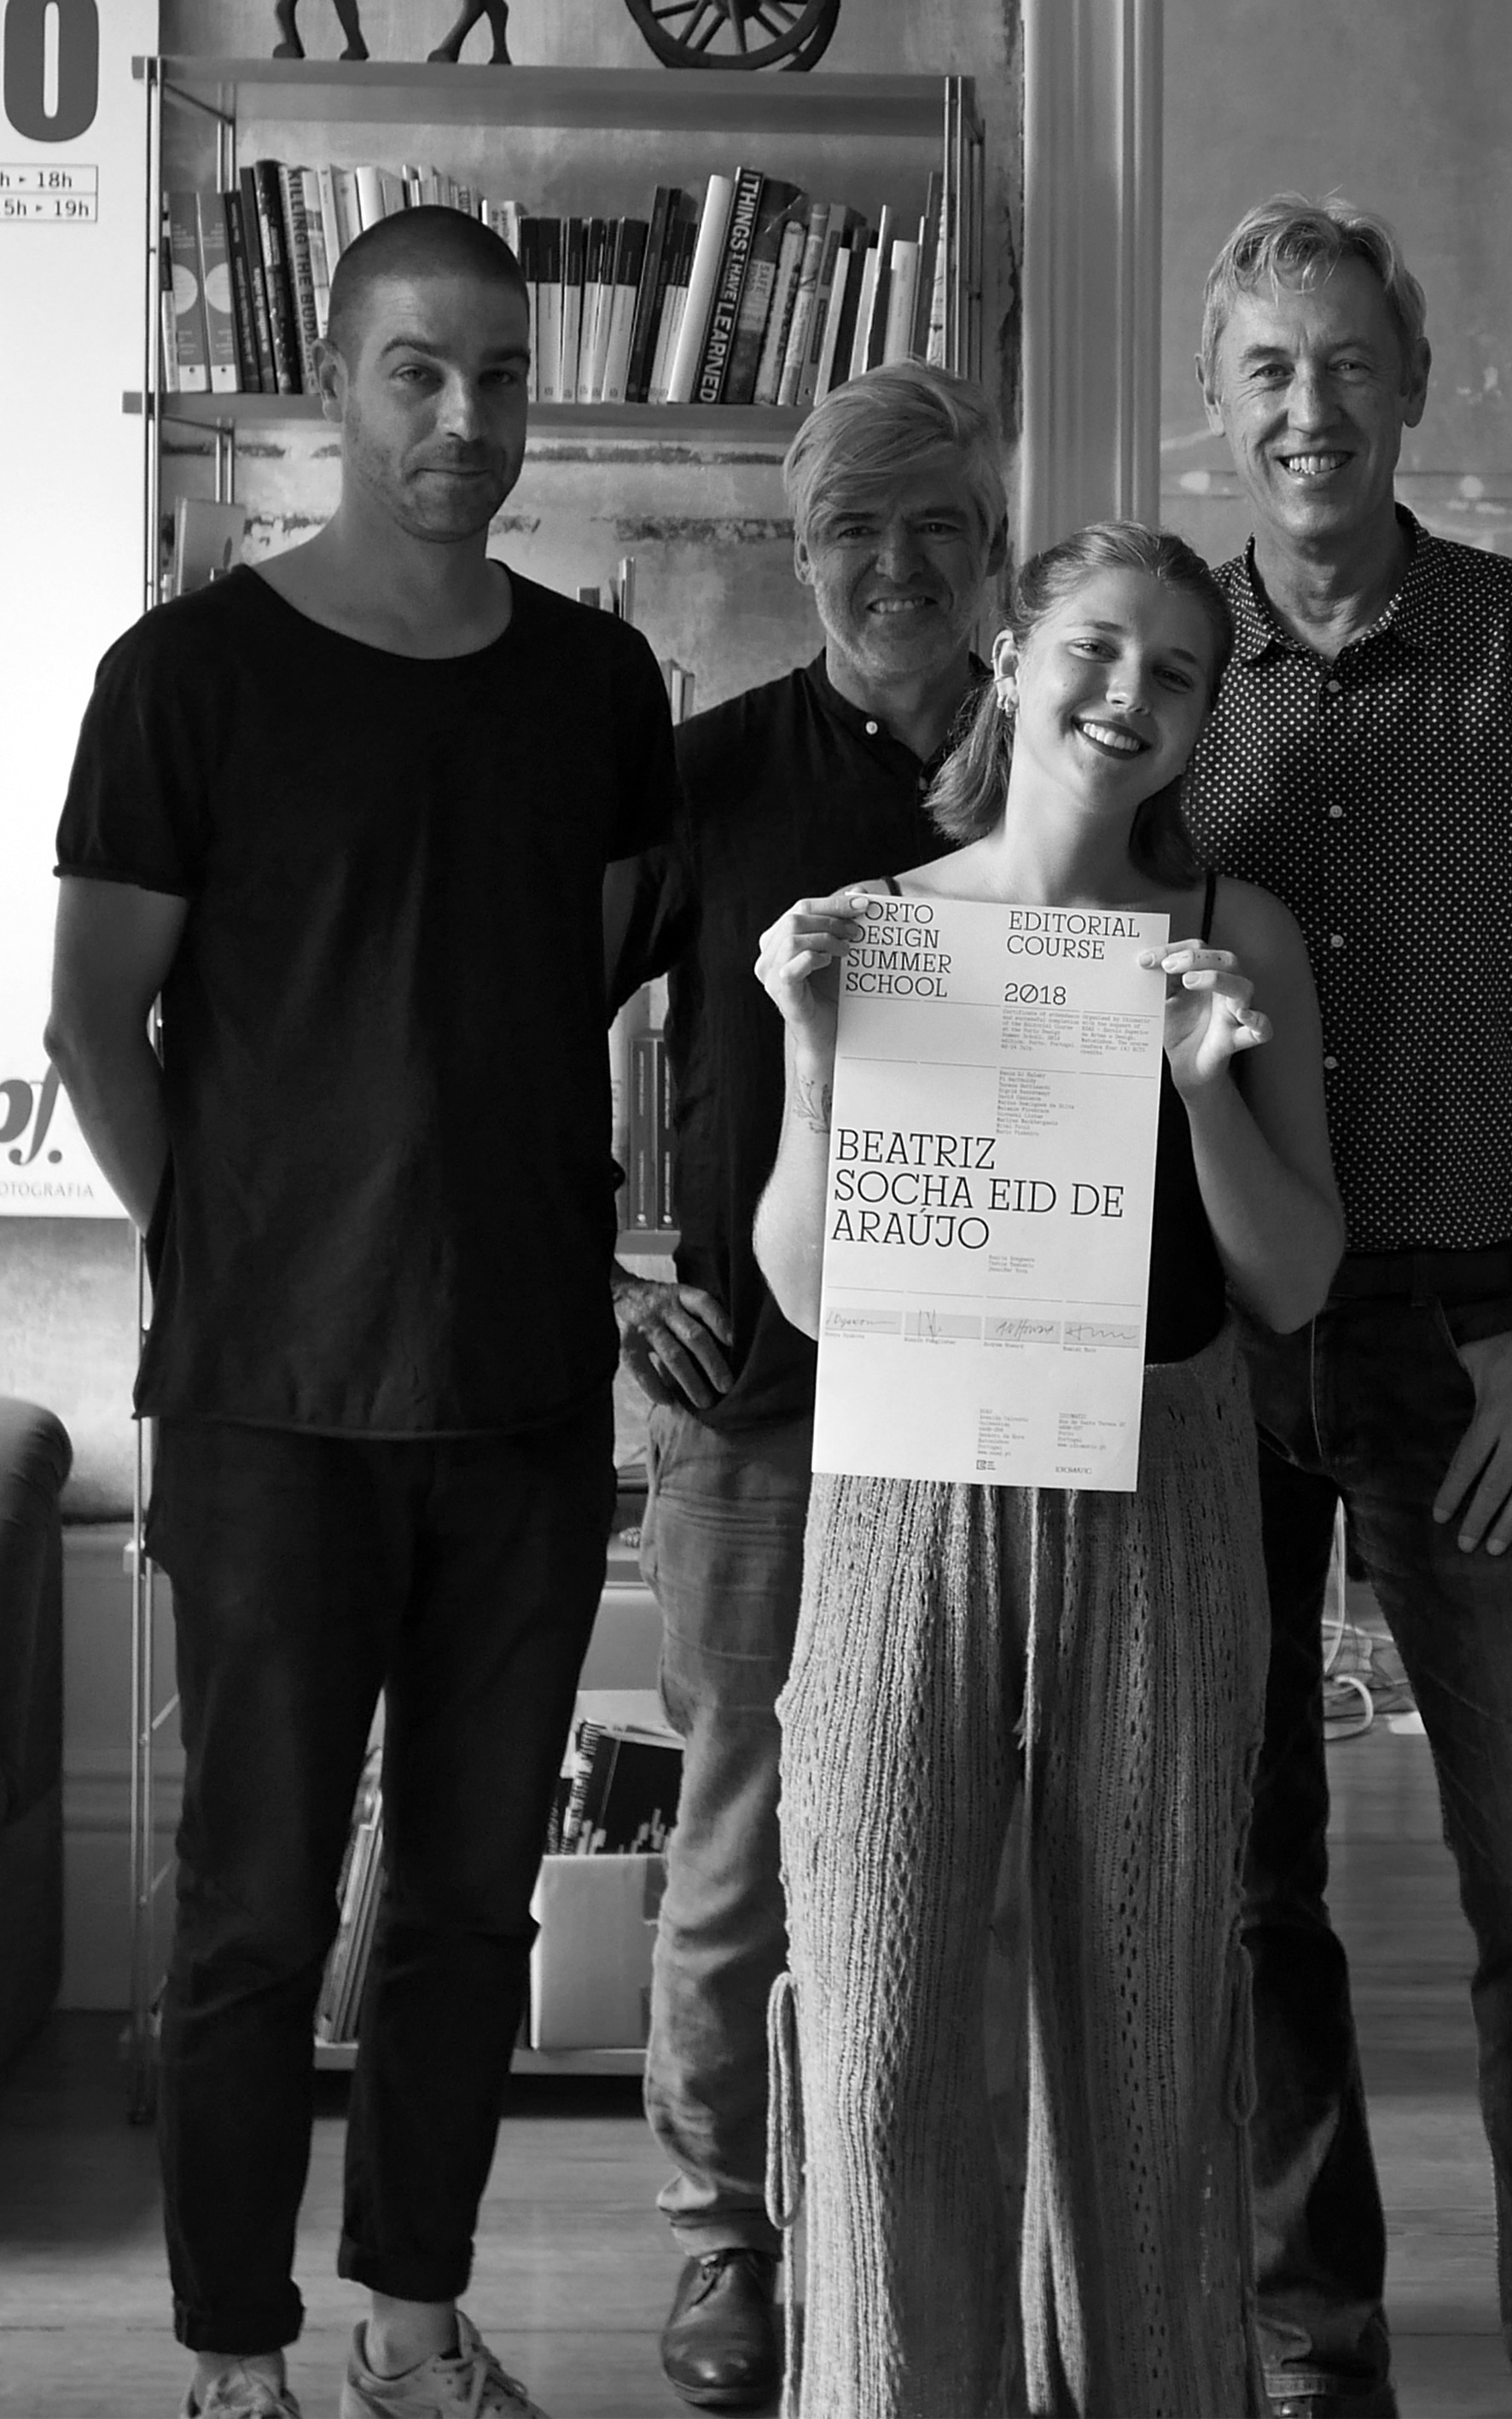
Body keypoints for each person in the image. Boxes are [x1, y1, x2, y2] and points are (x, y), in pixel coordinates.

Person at [45, 209, 680, 2419]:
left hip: (519, 1395)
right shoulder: (186, 678)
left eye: (500, 373)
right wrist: (229, 1256)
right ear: (334, 382)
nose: (463, 417)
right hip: (270, 1402)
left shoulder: (599, 687)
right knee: (251, 1908)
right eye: (418, 370)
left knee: (472, 1902)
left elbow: (571, 983)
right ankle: (236, 2356)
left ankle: (414, 2323)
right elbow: (96, 1024)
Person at [1181, 195, 1512, 2419]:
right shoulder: (1152, 659)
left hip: (1475, 1333)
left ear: (1412, 383)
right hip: (1205, 1346)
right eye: (1267, 370)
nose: (1308, 405)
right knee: (1243, 1887)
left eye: (1345, 362)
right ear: (1219, 405)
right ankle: (1313, 2352)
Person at [751, 519, 1345, 2417]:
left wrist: (1196, 1084)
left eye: (1175, 670)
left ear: (1203, 714)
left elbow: (1294, 1274)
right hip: (905, 1496)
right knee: (877, 2028)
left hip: (1160, 1490)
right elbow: (811, 1290)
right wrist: (815, 1052)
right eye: (1095, 646)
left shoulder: (1234, 933)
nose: (1126, 693)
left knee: (1146, 2048)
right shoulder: (877, 926)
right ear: (1011, 657)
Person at [602, 358, 1007, 2411]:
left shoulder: (1064, 764)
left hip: (1005, 1409)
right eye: (851, 526)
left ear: (993, 545)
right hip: (759, 1403)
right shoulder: (700, 775)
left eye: (933, 521)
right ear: (797, 554)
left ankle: (921, 2224)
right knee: (740, 1843)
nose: (894, 562)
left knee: (974, 1842)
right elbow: (507, 1017)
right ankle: (721, 2242)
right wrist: (599, 1277)